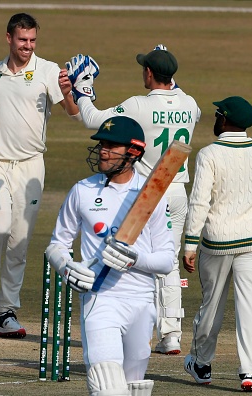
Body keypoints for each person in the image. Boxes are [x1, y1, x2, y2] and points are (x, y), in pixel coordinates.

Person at [59, 44, 201, 355]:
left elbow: (93, 120)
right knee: (167, 262)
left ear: (149, 73)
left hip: (148, 195)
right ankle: (172, 335)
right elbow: (176, 91)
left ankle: (132, 328)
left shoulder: (138, 105)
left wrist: (83, 89)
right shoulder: (191, 105)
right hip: (178, 191)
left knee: (131, 258)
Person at [0, 12, 80, 337]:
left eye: (32, 41)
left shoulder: (47, 71)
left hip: (31, 165)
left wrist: (69, 92)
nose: (27, 46)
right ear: (9, 39)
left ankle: (7, 311)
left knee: (20, 239)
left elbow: (72, 114)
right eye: (22, 40)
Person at [46, 116, 175, 396]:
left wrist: (134, 258)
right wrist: (68, 269)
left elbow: (166, 261)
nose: (103, 151)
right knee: (107, 386)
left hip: (142, 302)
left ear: (133, 152)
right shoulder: (82, 191)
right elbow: (56, 245)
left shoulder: (151, 195)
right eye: (102, 144)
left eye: (111, 146)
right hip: (100, 299)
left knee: (134, 388)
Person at [182, 96, 252, 392]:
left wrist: (190, 244)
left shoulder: (210, 154)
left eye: (217, 115)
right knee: (251, 306)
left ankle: (201, 364)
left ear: (226, 120)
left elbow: (199, 201)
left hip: (217, 241)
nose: (214, 119)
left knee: (212, 304)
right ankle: (249, 372)